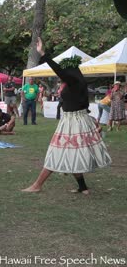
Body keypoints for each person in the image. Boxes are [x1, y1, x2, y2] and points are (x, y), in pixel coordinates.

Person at [22, 37, 112, 195]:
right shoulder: (78, 84)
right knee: (72, 153)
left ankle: (37, 185)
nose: (61, 76)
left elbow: (60, 71)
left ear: (69, 72)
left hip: (73, 122)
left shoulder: (74, 83)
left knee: (57, 152)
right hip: (78, 119)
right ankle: (83, 187)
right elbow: (83, 105)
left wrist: (43, 54)